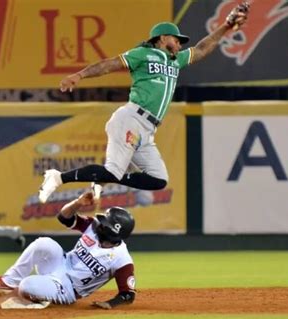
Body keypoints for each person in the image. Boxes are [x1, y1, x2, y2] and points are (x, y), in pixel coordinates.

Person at [38, 2, 250, 203]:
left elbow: (203, 48)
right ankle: (58, 177)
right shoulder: (144, 53)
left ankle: (102, 178)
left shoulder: (176, 60)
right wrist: (80, 75)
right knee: (113, 170)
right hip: (132, 118)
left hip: (147, 130)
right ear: (163, 37)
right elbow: (109, 64)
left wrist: (227, 26)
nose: (178, 44)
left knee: (158, 179)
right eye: (176, 39)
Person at [0, 191, 136, 310]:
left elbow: (128, 294)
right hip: (60, 263)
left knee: (27, 285)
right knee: (43, 243)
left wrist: (110, 304)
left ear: (115, 232)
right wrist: (77, 203)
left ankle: (38, 299)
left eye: (105, 224)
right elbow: (64, 218)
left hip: (67, 288)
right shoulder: (93, 227)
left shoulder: (122, 258)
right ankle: (8, 281)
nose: (101, 224)